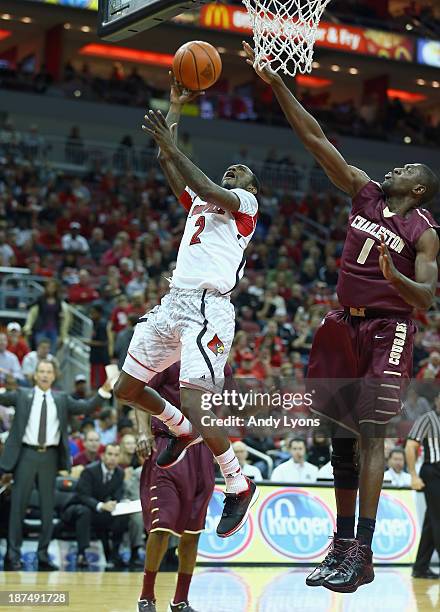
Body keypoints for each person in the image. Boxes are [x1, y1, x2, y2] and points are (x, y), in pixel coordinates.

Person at [242, 42, 440, 592]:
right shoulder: (366, 195)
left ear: (418, 188)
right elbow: (315, 139)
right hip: (341, 326)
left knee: (374, 435)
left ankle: (365, 552)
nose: (392, 168)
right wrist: (276, 81)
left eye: (404, 169)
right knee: (340, 440)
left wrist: (392, 276)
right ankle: (341, 545)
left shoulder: (424, 231)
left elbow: (424, 297)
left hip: (388, 329)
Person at [114, 72, 260, 539]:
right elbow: (167, 160)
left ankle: (237, 483)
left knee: (199, 400)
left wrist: (176, 148)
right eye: (231, 168)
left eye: (241, 169)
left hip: (208, 309)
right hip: (173, 302)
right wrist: (175, 107)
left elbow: (202, 180)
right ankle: (179, 427)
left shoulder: (242, 204)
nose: (233, 170)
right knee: (127, 389)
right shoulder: (198, 202)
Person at [0, 360, 112, 571]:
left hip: (50, 457)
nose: (44, 375)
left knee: (47, 509)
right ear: (35, 375)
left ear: (54, 376)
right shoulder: (22, 395)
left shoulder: (61, 399)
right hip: (25, 454)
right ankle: (12, 555)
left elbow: (86, 406)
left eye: (48, 372)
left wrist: (105, 390)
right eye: (41, 371)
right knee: (18, 507)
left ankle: (42, 556)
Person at [136, 361, 217, 612]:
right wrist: (142, 432)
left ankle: (180, 600)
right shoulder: (170, 359)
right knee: (161, 526)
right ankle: (146, 596)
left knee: (193, 533)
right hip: (168, 444)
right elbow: (140, 392)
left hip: (202, 450)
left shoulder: (219, 363)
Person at [62, 443, 128, 569]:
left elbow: (117, 495)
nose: (113, 458)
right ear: (102, 456)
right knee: (85, 511)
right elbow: (82, 496)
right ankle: (82, 554)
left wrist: (120, 502)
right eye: (110, 454)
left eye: (116, 455)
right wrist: (101, 505)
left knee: (122, 516)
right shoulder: (89, 471)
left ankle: (114, 556)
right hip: (76, 507)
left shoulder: (120, 473)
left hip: (99, 511)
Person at [405, 391, 440, 579]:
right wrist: (412, 475)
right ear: (436, 400)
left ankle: (420, 567)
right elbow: (410, 446)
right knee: (438, 517)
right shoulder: (427, 419)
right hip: (433, 471)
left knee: (432, 520)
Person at [23, 278, 71, 353]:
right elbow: (32, 305)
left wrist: (61, 316)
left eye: (53, 287)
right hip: (41, 328)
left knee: (52, 351)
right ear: (46, 288)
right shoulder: (41, 298)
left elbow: (59, 313)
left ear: (56, 289)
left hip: (53, 329)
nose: (51, 289)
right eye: (49, 287)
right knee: (39, 350)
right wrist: (25, 305)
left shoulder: (58, 300)